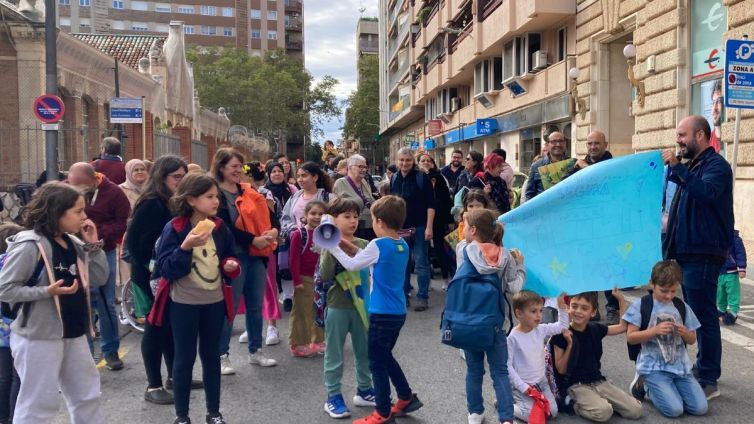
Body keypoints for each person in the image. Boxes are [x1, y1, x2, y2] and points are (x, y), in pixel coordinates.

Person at [0, 182, 108, 424]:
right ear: (57, 212)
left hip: (73, 332)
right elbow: (5, 289)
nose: (84, 217)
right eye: (78, 211)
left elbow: (100, 278)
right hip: (38, 336)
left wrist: (93, 245)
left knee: (87, 395)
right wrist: (46, 291)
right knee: (38, 403)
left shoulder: (74, 243)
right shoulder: (30, 245)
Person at [327, 195, 424, 424]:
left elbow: (353, 264)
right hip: (397, 312)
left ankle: (382, 412)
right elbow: (364, 258)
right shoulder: (401, 244)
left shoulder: (377, 244)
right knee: (385, 356)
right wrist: (343, 243)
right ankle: (405, 396)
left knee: (377, 362)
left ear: (379, 221)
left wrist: (332, 247)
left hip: (380, 313)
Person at [154, 173, 241, 424]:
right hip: (184, 303)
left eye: (216, 196)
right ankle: (182, 415)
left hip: (214, 301)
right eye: (209, 197)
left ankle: (213, 412)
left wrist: (230, 265)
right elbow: (166, 268)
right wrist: (186, 247)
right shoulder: (176, 228)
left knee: (211, 356)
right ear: (192, 200)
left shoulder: (220, 227)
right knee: (184, 357)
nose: (216, 201)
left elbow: (228, 256)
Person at [662, 115, 733, 399]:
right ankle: (703, 366)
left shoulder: (717, 166)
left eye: (683, 135)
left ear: (701, 136)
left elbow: (707, 193)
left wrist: (680, 169)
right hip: (687, 251)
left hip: (704, 252)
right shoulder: (693, 166)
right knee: (695, 314)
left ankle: (708, 377)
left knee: (703, 316)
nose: (678, 140)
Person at [125, 156, 191, 405]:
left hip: (170, 276)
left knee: (171, 328)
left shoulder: (175, 202)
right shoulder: (152, 204)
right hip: (150, 277)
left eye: (184, 176)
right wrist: (156, 270)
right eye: (176, 177)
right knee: (155, 329)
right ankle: (153, 385)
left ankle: (175, 377)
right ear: (162, 177)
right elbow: (135, 244)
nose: (181, 181)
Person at [212, 148, 279, 374]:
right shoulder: (216, 194)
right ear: (221, 167)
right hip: (234, 256)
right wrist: (254, 239)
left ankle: (255, 351)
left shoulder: (250, 191)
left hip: (257, 255)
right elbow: (223, 227)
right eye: (233, 166)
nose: (238, 171)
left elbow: (270, 217)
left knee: (255, 305)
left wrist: (273, 232)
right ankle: (221, 355)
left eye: (240, 167)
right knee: (229, 308)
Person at [456, 208, 524, 424]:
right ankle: (506, 418)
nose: (463, 230)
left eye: (466, 226)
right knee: (500, 371)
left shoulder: (463, 251)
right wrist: (520, 265)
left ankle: (475, 412)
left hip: (469, 320)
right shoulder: (504, 256)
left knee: (474, 369)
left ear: (473, 230)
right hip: (495, 321)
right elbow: (515, 288)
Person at [67, 162, 130, 370]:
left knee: (105, 301)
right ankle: (84, 352)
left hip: (104, 249)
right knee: (80, 301)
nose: (77, 192)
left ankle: (110, 350)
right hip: (73, 250)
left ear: (95, 180)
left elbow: (121, 223)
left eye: (82, 188)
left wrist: (96, 233)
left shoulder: (114, 194)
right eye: (73, 186)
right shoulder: (65, 190)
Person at [625, 260, 707, 418]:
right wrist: (654, 331)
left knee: (700, 408)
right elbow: (631, 338)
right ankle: (645, 385)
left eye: (673, 291)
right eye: (663, 291)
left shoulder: (681, 306)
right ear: (651, 284)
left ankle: (670, 389)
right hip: (653, 368)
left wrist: (685, 333)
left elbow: (692, 340)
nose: (668, 295)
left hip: (680, 368)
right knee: (675, 410)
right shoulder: (641, 305)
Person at [319, 198, 375, 419]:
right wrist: (331, 246)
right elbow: (324, 275)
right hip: (337, 306)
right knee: (334, 353)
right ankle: (333, 396)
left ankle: (365, 389)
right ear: (334, 219)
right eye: (346, 216)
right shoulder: (328, 243)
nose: (353, 221)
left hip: (362, 306)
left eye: (355, 216)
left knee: (364, 351)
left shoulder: (362, 243)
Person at [550, 291, 643, 422]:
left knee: (636, 410)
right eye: (574, 306)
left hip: (598, 381)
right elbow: (561, 370)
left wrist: (621, 301)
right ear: (568, 307)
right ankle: (572, 404)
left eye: (584, 308)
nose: (578, 311)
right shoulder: (560, 334)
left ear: (593, 312)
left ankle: (599, 401)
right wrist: (570, 345)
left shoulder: (595, 328)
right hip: (576, 385)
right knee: (604, 412)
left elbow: (622, 327)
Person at [569, 130, 619, 324]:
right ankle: (592, 309)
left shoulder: (613, 165)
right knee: (588, 266)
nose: (592, 147)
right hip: (585, 225)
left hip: (607, 225)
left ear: (605, 145)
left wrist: (586, 169)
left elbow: (606, 187)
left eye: (596, 143)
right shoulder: (578, 165)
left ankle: (613, 308)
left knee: (608, 267)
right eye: (589, 144)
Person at [280, 162, 333, 311]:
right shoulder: (296, 195)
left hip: (321, 245)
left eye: (304, 176)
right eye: (298, 176)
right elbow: (285, 217)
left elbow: (337, 221)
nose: (300, 179)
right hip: (299, 242)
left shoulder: (328, 197)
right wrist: (294, 230)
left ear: (315, 177)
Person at [507, 291, 568, 422]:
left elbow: (562, 326)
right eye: (533, 311)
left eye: (540, 310)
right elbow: (507, 367)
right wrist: (523, 387)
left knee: (552, 412)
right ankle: (507, 405)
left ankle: (522, 402)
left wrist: (562, 306)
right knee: (532, 416)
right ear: (519, 313)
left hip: (541, 382)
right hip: (523, 385)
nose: (539, 315)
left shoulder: (540, 329)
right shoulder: (513, 338)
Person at [390, 147, 435, 312]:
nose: (404, 163)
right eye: (401, 160)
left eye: (408, 160)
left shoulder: (422, 177)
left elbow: (431, 204)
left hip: (420, 227)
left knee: (421, 263)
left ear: (413, 161)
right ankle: (404, 294)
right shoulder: (394, 178)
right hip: (400, 228)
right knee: (403, 263)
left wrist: (429, 227)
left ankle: (423, 296)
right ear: (397, 161)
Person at [256, 162, 297, 344]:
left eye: (280, 171)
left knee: (284, 266)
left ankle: (287, 297)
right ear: (268, 174)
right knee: (264, 282)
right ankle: (259, 326)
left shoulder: (291, 189)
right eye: (273, 171)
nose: (277, 174)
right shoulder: (262, 191)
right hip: (267, 237)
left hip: (286, 233)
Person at [288, 200, 326, 357]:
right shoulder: (299, 234)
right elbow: (293, 259)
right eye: (313, 213)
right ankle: (298, 342)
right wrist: (296, 280)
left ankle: (317, 340)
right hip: (304, 278)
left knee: (319, 310)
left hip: (320, 278)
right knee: (301, 311)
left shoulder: (326, 233)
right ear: (305, 215)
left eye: (321, 214)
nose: (317, 217)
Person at [417, 153, 454, 287]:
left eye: (428, 160)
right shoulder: (416, 177)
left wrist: (449, 220)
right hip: (421, 218)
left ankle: (445, 277)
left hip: (438, 218)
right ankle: (426, 282)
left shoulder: (438, 177)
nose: (426, 162)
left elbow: (447, 200)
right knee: (423, 252)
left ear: (433, 163)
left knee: (440, 248)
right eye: (423, 160)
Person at [0, 223, 23, 424]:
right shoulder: (14, 263)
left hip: (0, 334)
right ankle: (15, 417)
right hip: (15, 328)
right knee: (18, 378)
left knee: (3, 378)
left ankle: (3, 417)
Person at [333, 154, 376, 240]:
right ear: (350, 167)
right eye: (360, 167)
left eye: (365, 167)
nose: (364, 170)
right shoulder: (341, 183)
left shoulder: (364, 182)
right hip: (354, 229)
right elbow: (340, 207)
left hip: (370, 227)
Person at [525, 131, 568, 201]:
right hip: (544, 209)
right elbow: (529, 195)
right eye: (554, 141)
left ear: (565, 143)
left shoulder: (573, 164)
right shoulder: (536, 166)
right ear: (548, 145)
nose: (558, 144)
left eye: (561, 141)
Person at [718, 230, 746, 326]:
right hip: (718, 271)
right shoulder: (714, 236)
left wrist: (741, 268)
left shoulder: (735, 238)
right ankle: (721, 309)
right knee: (720, 293)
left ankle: (733, 313)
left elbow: (740, 253)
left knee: (733, 293)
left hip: (732, 271)